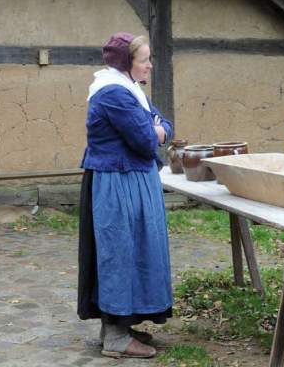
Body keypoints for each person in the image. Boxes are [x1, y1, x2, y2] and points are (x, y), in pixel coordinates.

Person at [77, 32, 174, 359]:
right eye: (144, 59)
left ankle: (117, 327)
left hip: (132, 180)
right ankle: (116, 338)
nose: (150, 65)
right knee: (119, 253)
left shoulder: (130, 89)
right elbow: (147, 140)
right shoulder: (113, 94)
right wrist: (156, 131)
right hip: (118, 184)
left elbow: (165, 124)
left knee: (135, 251)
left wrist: (158, 129)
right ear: (126, 63)